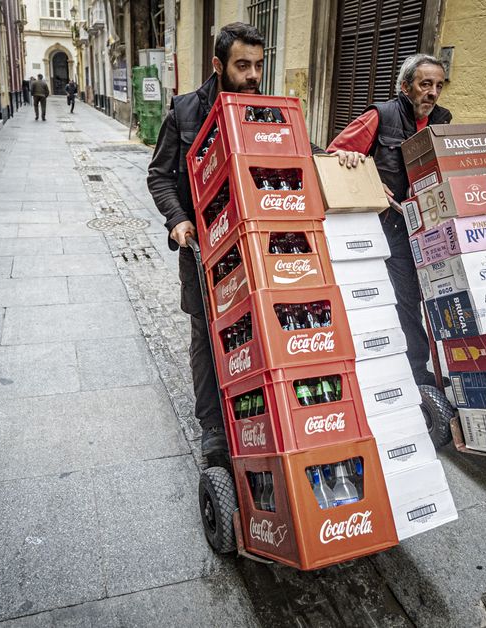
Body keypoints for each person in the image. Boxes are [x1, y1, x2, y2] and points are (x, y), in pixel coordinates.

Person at [146, 23, 356, 459]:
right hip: (206, 252)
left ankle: (258, 409)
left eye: (259, 65)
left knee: (259, 328)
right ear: (218, 65)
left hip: (262, 246)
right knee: (208, 335)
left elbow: (299, 150)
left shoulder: (266, 108)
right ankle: (214, 429)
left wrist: (335, 156)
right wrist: (178, 219)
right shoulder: (184, 112)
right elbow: (159, 175)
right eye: (243, 66)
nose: (253, 75)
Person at [327, 54, 451, 390]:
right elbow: (331, 156)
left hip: (422, 226)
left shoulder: (443, 121)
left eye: (439, 85)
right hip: (382, 225)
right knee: (383, 297)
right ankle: (378, 369)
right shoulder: (380, 115)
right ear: (405, 86)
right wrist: (367, 177)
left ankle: (415, 372)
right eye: (425, 84)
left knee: (411, 299)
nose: (433, 92)